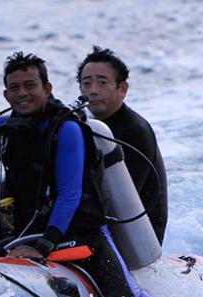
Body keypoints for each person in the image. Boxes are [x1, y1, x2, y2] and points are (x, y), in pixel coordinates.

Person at [0, 51, 147, 296]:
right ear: (6, 95)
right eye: (14, 87)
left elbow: (69, 195)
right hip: (29, 236)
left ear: (47, 88)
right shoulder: (5, 129)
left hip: (80, 234)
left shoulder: (66, 130)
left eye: (30, 85)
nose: (22, 93)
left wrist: (43, 247)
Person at [77, 46, 168, 245]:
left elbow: (122, 203)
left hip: (138, 241)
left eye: (102, 82)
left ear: (122, 88)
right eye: (86, 83)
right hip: (105, 227)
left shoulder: (135, 130)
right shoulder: (88, 127)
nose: (93, 90)